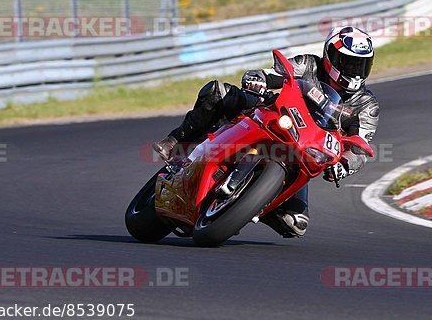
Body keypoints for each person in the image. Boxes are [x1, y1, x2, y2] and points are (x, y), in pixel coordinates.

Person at [153, 26, 380, 238]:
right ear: (331, 57)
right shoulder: (310, 65)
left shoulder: (367, 105)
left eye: (361, 65)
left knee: (295, 223)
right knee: (217, 93)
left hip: (304, 152)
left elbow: (360, 145)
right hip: (273, 115)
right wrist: (259, 78)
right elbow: (277, 73)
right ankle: (176, 141)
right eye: (349, 63)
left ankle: (249, 202)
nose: (355, 71)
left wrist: (344, 166)